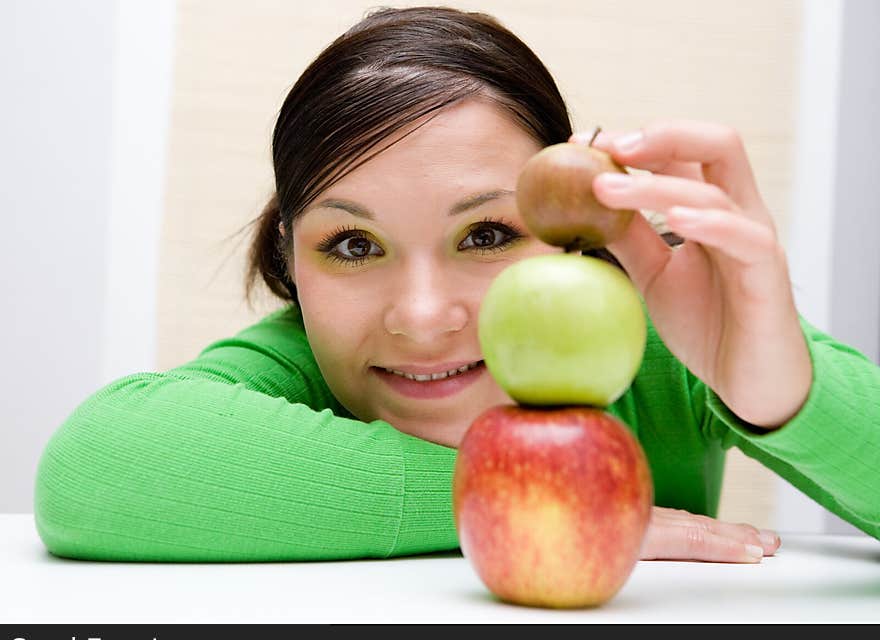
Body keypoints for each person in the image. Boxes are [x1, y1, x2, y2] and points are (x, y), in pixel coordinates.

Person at [35, 6, 879, 564]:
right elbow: (93, 470)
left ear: (572, 239)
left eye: (487, 234)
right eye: (355, 245)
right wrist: (548, 510)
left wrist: (784, 396)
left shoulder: (664, 353)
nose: (424, 316)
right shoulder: (298, 367)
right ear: (293, 258)